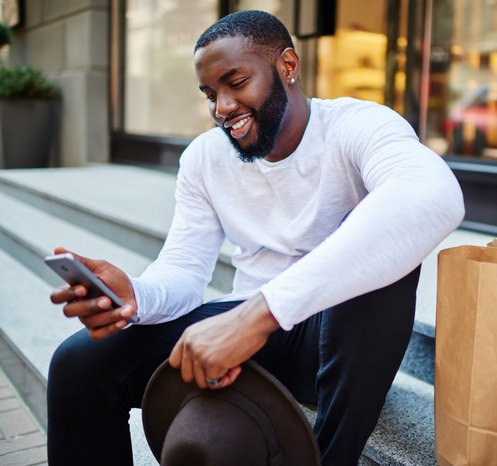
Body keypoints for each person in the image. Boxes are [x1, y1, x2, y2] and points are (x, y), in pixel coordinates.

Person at [47, 10, 464, 466]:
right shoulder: (204, 158)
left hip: (339, 341)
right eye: (211, 94)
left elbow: (434, 195)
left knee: (380, 245)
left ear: (287, 66)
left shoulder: (357, 125)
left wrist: (259, 315)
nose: (223, 107)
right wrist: (137, 297)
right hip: (246, 329)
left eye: (236, 82)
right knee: (77, 364)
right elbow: (185, 269)